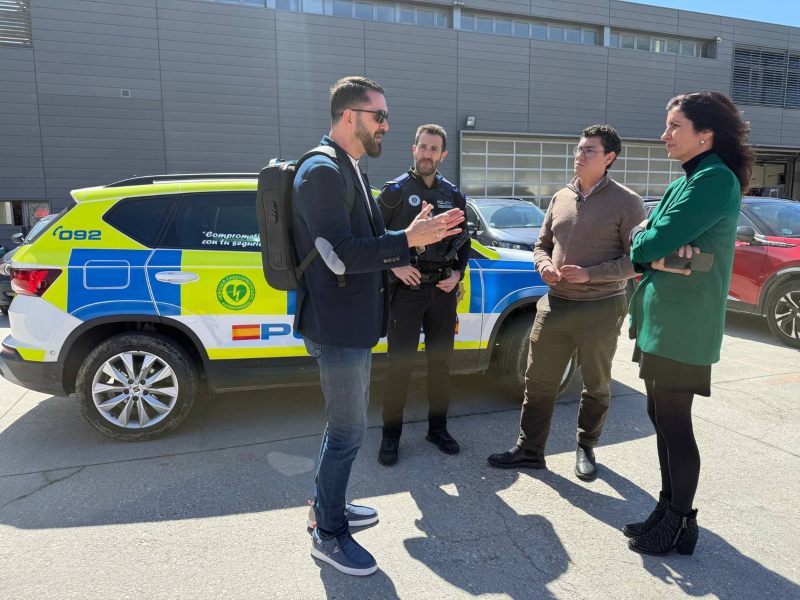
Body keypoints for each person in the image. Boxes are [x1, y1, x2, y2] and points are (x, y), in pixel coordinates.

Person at [292, 76, 464, 577]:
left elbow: (365, 239)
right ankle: (329, 533)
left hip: (352, 324)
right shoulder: (322, 171)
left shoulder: (349, 167)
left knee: (341, 428)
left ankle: (327, 507)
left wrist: (414, 236)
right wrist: (407, 241)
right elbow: (339, 256)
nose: (387, 126)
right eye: (379, 117)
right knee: (347, 433)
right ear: (350, 117)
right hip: (337, 326)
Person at [624, 91, 754, 556]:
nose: (664, 135)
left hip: (685, 324)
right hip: (661, 317)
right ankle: (667, 508)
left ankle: (681, 521)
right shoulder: (689, 178)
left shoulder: (714, 180)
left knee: (675, 422)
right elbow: (645, 236)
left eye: (674, 126)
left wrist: (652, 246)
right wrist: (655, 246)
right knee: (659, 415)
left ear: (705, 133)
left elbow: (645, 244)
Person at [487, 124, 645, 481]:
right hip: (555, 304)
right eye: (579, 148)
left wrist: (591, 275)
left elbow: (638, 260)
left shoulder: (628, 202)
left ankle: (586, 447)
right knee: (538, 380)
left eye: (590, 150)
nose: (580, 154)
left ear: (609, 158)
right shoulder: (561, 197)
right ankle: (530, 450)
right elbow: (542, 245)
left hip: (601, 308)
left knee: (595, 383)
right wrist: (543, 265)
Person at [376, 124, 471, 466]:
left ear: (443, 155)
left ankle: (437, 428)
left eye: (435, 148)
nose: (428, 153)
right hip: (407, 291)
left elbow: (465, 241)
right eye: (423, 147)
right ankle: (390, 437)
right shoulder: (395, 193)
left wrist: (458, 273)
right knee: (398, 367)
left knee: (440, 365)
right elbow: (371, 237)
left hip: (443, 291)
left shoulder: (453, 194)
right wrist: (395, 266)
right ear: (413, 149)